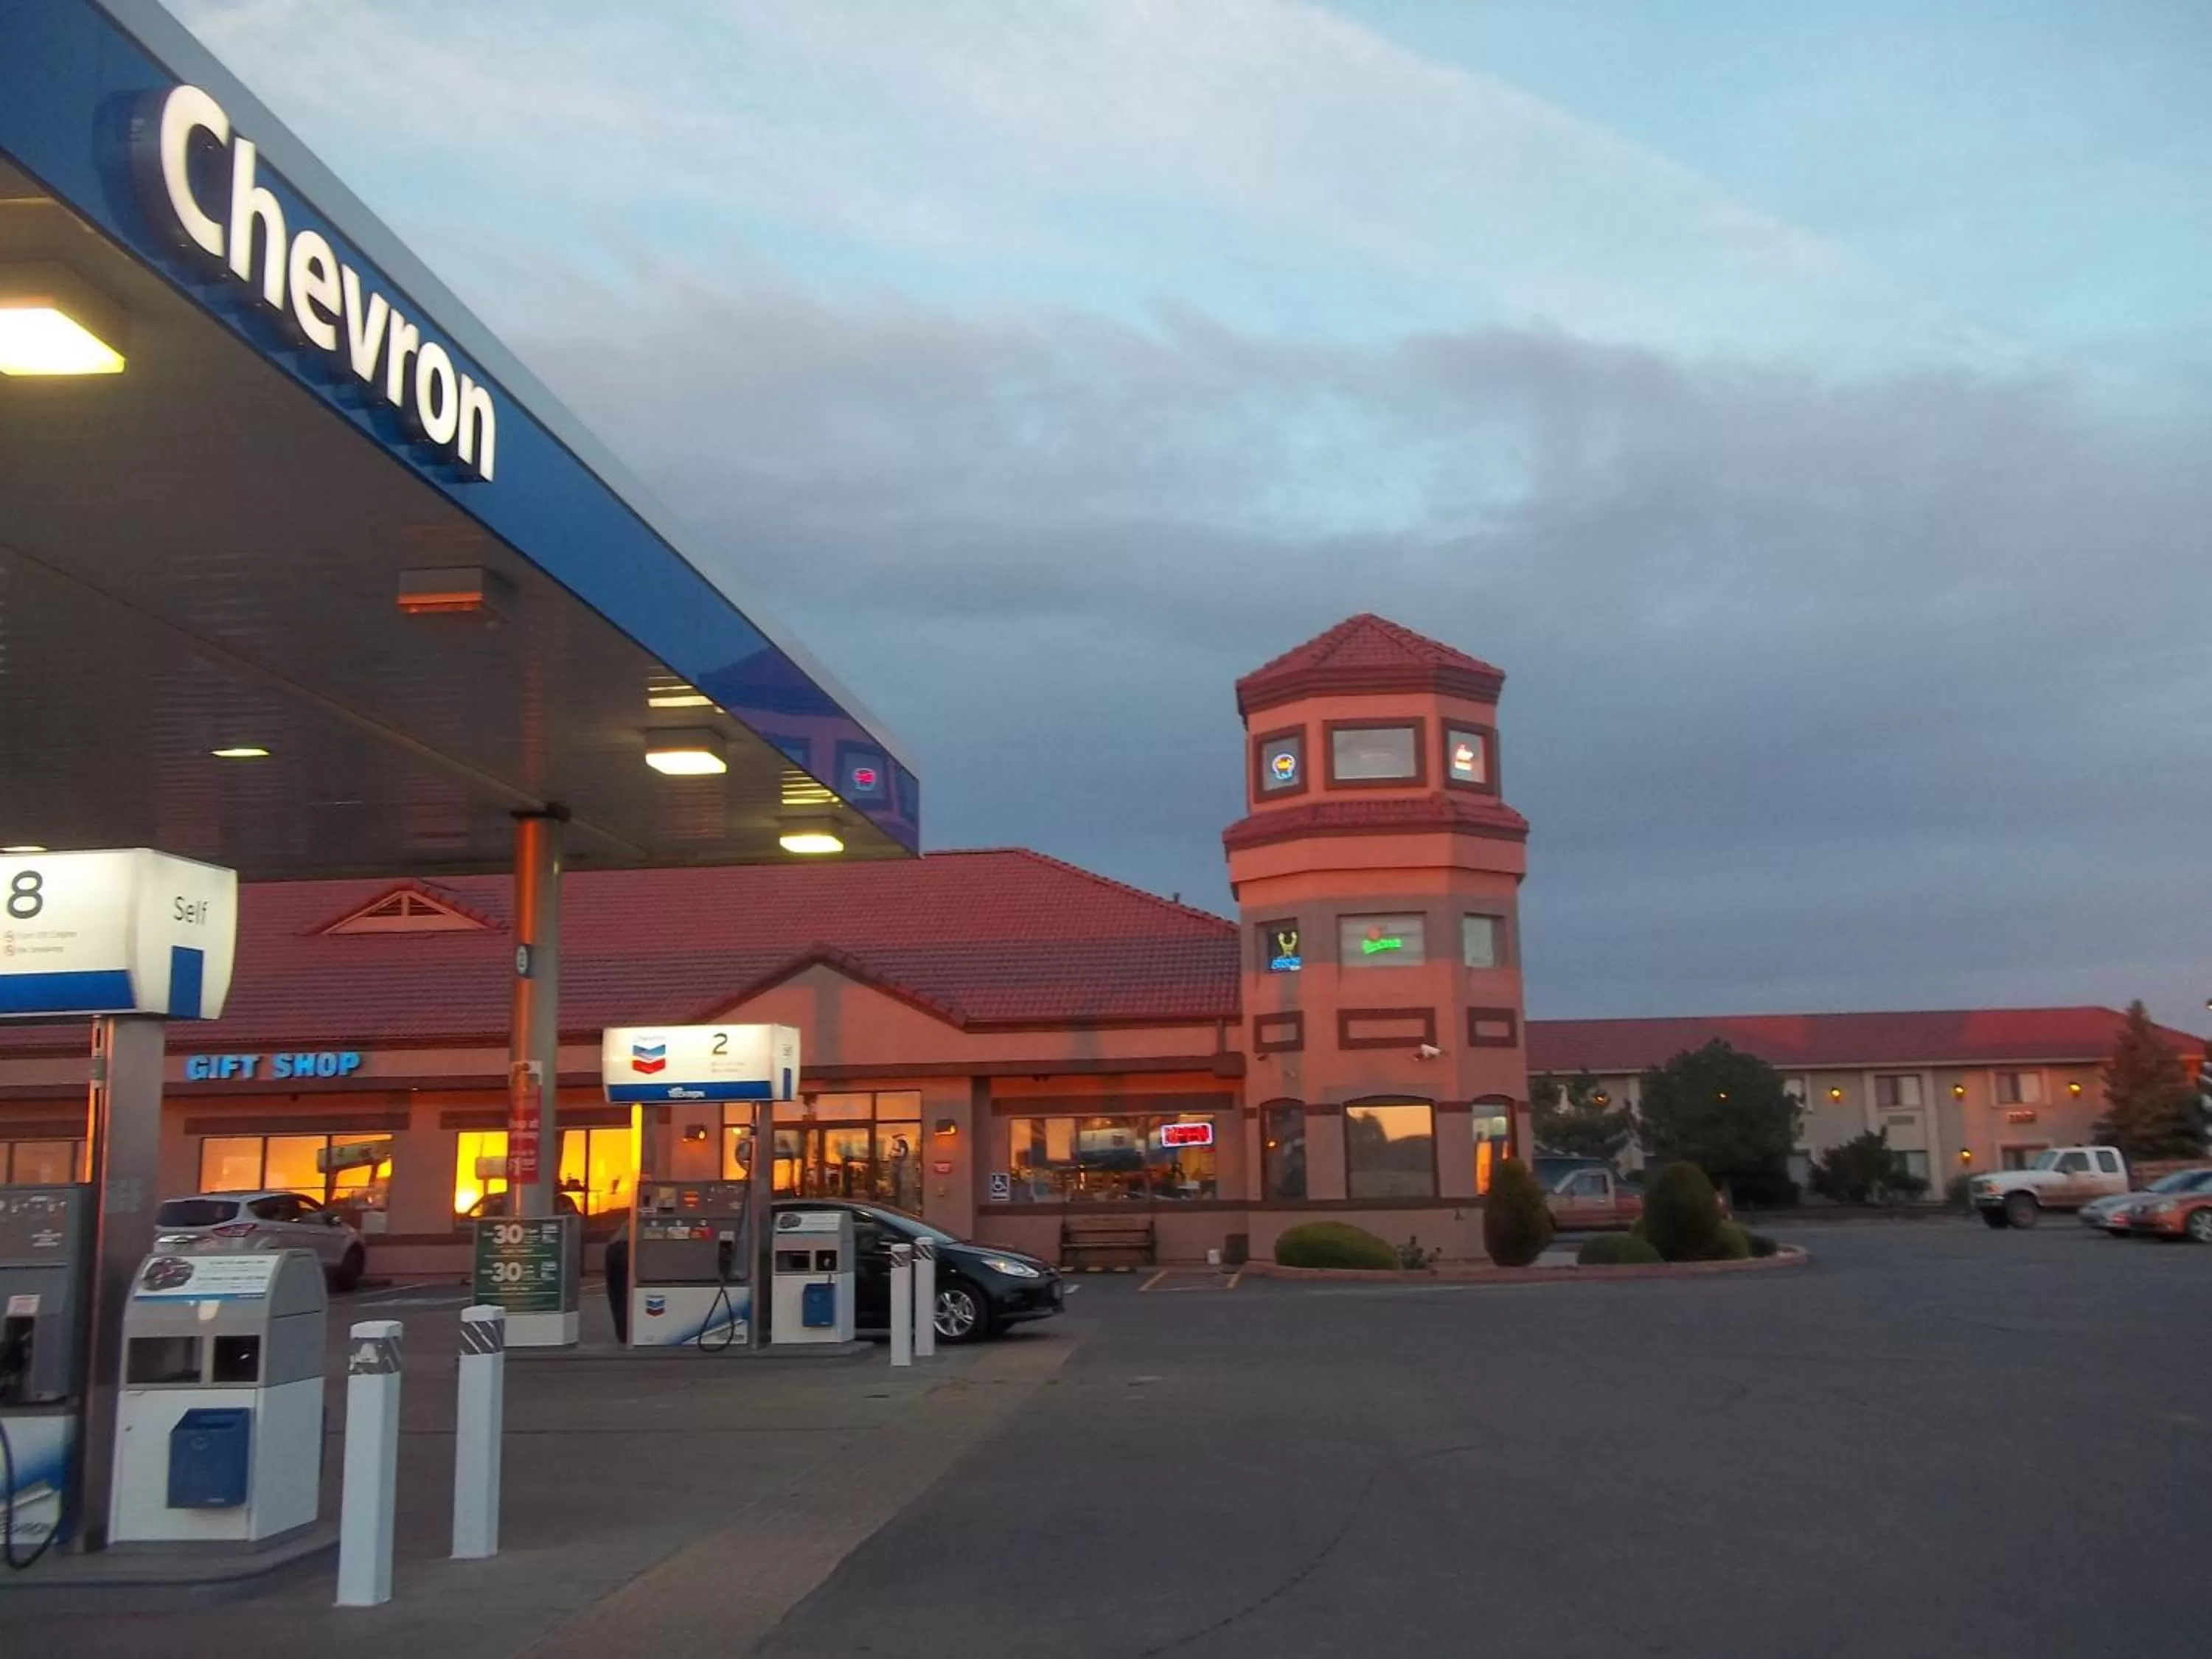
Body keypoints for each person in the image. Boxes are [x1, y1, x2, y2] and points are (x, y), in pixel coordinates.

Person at [602, 1225, 630, 1344]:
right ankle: (626, 1332)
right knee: (624, 1294)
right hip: (627, 1249)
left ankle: (623, 1333)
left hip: (614, 1248)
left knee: (617, 1295)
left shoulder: (627, 1224)